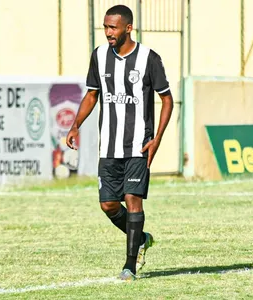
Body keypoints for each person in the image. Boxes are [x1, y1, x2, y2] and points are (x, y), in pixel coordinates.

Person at [66, 4, 174, 281]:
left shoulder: (149, 58)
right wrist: (76, 124)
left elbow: (167, 99)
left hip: (138, 144)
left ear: (128, 28)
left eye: (113, 27)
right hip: (109, 147)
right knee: (109, 205)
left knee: (132, 198)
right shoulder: (99, 56)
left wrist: (157, 138)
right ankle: (141, 238)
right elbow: (92, 95)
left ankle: (130, 265)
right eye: (105, 27)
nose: (108, 32)